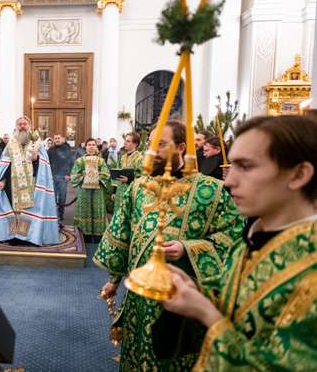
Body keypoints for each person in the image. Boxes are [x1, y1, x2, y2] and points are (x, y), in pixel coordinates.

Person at [163, 115, 317, 371]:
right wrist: (195, 292)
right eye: (231, 167)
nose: (229, 182)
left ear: (299, 174)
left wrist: (207, 315)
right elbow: (237, 303)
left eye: (245, 167)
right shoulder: (253, 238)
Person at [94, 120, 245, 371]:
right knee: (137, 353)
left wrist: (189, 248)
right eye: (150, 144)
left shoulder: (212, 190)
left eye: (160, 144)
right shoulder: (138, 188)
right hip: (139, 298)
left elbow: (234, 238)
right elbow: (123, 235)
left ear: (181, 148)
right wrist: (114, 279)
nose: (151, 150)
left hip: (182, 297)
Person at [0, 117, 59, 246]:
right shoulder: (10, 144)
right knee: (14, 209)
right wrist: (2, 180)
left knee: (31, 210)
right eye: (20, 124)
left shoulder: (37, 143)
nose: (22, 126)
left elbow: (45, 165)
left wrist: (37, 158)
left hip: (33, 182)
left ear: (30, 126)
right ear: (16, 126)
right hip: (13, 184)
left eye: (25, 124)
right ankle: (14, 236)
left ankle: (30, 236)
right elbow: (4, 164)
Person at [70, 138, 110, 242]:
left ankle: (97, 237)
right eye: (89, 145)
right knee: (84, 212)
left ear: (96, 147)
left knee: (97, 211)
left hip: (98, 192)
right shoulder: (80, 161)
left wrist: (96, 175)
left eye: (93, 145)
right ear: (85, 147)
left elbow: (106, 174)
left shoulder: (101, 161)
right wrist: (84, 175)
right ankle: (83, 236)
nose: (91, 146)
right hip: (84, 192)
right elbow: (74, 175)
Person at [112, 132, 144, 213]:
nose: (125, 143)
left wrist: (128, 179)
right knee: (118, 214)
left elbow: (142, 176)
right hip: (119, 192)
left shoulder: (139, 158)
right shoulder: (122, 157)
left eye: (128, 141)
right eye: (125, 141)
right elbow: (117, 173)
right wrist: (114, 192)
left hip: (131, 192)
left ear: (135, 144)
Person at [48, 134, 75, 224]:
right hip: (53, 175)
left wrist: (69, 174)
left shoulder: (68, 149)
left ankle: (61, 214)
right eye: (55, 138)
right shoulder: (50, 150)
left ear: (63, 139)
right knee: (53, 197)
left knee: (62, 197)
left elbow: (71, 162)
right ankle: (54, 215)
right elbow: (47, 163)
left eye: (58, 138)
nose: (57, 140)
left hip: (63, 177)